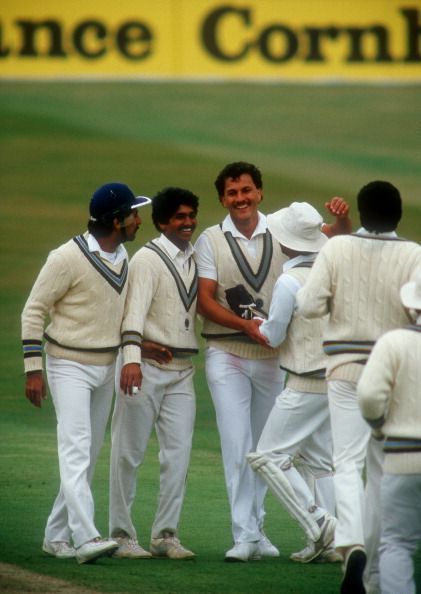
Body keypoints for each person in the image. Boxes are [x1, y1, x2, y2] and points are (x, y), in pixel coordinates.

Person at [195, 161, 350, 562]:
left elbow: (333, 241)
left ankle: (265, 530)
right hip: (227, 352)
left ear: (259, 192)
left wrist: (343, 219)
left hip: (275, 358)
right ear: (222, 199)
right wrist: (244, 327)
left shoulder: (283, 232)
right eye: (232, 193)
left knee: (266, 450)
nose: (240, 199)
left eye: (246, 191)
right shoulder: (211, 239)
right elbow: (206, 300)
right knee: (238, 444)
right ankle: (246, 535)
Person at [296, 181, 421, 593]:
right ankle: (375, 575)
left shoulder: (336, 248)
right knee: (382, 470)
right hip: (394, 373)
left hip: (345, 368)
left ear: (362, 214)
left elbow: (310, 305)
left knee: (346, 462)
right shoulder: (414, 253)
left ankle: (351, 546)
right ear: (398, 214)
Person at [21, 182, 151, 564]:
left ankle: (55, 534)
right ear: (116, 220)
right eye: (133, 214)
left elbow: (125, 316)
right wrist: (33, 369)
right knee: (76, 449)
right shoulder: (65, 258)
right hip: (67, 364)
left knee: (89, 455)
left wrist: (129, 358)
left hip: (105, 367)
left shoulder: (124, 257)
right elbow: (33, 311)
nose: (139, 220)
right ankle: (87, 536)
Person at [247, 201, 350, 565]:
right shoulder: (334, 273)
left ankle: (321, 523)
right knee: (320, 461)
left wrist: (257, 324)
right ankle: (332, 544)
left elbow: (273, 337)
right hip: (335, 380)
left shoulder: (289, 281)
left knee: (267, 457)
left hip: (304, 381)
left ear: (285, 242)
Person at [109, 187, 199, 560]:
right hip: (143, 368)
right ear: (163, 222)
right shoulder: (147, 259)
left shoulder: (196, 256)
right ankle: (121, 534)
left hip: (182, 370)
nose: (188, 223)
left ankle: (165, 534)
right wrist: (132, 358)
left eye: (191, 216)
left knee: (177, 455)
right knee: (128, 453)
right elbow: (131, 312)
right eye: (179, 217)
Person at [357, 269, 421, 594]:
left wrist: (379, 426)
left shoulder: (394, 341)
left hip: (403, 456)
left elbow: (369, 396)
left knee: (397, 544)